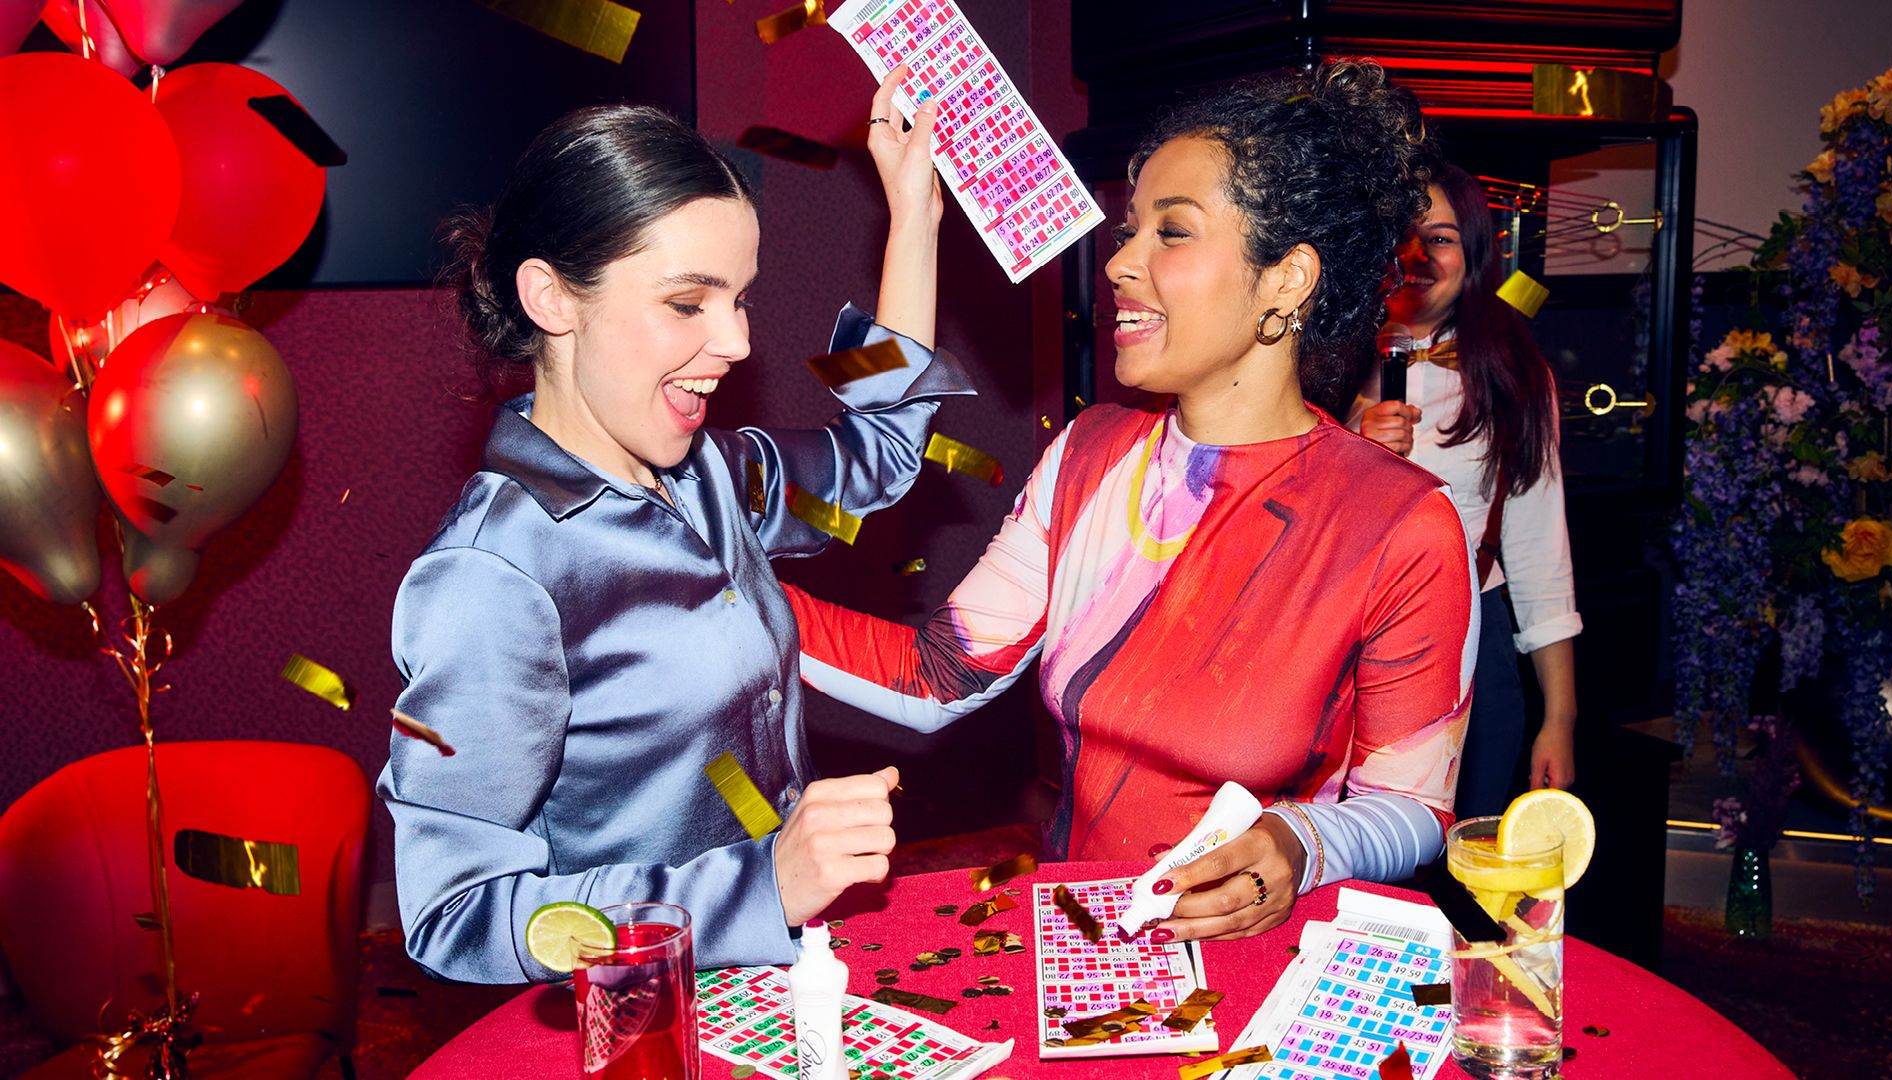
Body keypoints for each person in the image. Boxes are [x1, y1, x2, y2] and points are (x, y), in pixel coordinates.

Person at [784, 61, 1478, 946]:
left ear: (1287, 278)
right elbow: (936, 676)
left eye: (1171, 232)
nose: (1118, 262)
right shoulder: (1091, 454)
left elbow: (1414, 808)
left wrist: (1302, 843)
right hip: (1078, 944)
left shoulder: (1399, 523)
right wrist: (706, 591)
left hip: (1261, 962)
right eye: (1128, 231)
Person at [377, 70, 970, 983]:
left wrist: (914, 218)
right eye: (689, 303)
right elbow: (458, 914)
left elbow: (874, 455)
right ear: (551, 299)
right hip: (635, 1029)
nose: (736, 342)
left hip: (769, 995)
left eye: (740, 300)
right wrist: (761, 885)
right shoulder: (492, 574)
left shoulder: (710, 475)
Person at [1353, 163, 1580, 819]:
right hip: (1346, 648)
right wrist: (1348, 441)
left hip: (1475, 643)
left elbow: (1539, 549)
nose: (1418, 255)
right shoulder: (1318, 362)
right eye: (1402, 234)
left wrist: (1559, 718)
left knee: (1460, 848)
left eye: (1441, 238)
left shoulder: (1513, 374)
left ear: (1473, 254)